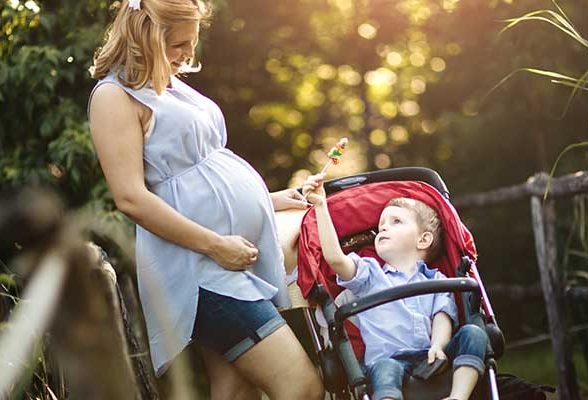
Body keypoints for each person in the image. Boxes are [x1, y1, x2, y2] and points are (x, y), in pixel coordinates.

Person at [87, 1, 324, 399]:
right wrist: (217, 245)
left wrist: (269, 200)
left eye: (191, 43)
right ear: (148, 36)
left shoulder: (168, 83)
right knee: (300, 387)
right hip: (202, 269)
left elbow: (197, 180)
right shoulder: (114, 97)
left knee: (236, 390)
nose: (188, 54)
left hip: (226, 262)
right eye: (180, 44)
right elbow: (131, 198)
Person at [304, 174, 489, 400]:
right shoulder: (369, 274)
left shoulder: (437, 280)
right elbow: (335, 260)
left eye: (396, 222)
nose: (383, 229)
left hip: (432, 357)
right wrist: (321, 206)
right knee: (384, 368)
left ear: (423, 240)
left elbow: (442, 317)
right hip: (387, 361)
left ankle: (458, 396)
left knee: (474, 333)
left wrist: (438, 346)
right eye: (381, 226)